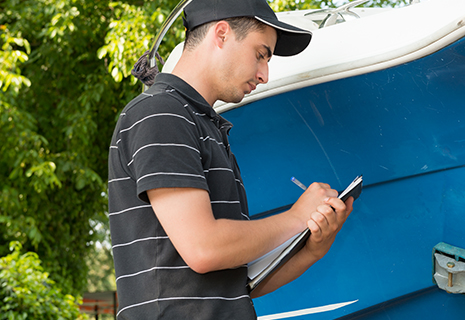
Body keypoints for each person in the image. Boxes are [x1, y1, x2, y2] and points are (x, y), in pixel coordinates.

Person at [107, 0, 354, 318]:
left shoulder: (205, 128)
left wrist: (312, 249)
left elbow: (236, 282)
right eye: (260, 54)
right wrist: (296, 217)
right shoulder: (160, 113)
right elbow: (205, 249)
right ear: (221, 34)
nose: (264, 74)